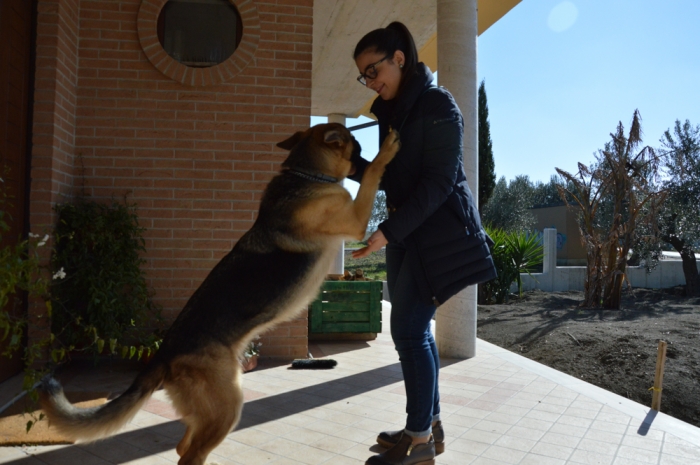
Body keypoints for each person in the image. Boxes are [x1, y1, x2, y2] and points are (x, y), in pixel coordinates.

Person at [349, 22, 497, 465]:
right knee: (415, 334)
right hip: (404, 235)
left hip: (434, 237)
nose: (371, 82)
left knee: (409, 331)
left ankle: (418, 443)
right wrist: (350, 163)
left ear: (399, 58)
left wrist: (387, 232)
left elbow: (438, 184)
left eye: (374, 70)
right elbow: (392, 178)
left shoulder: (437, 104)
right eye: (364, 76)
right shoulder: (393, 113)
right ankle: (428, 426)